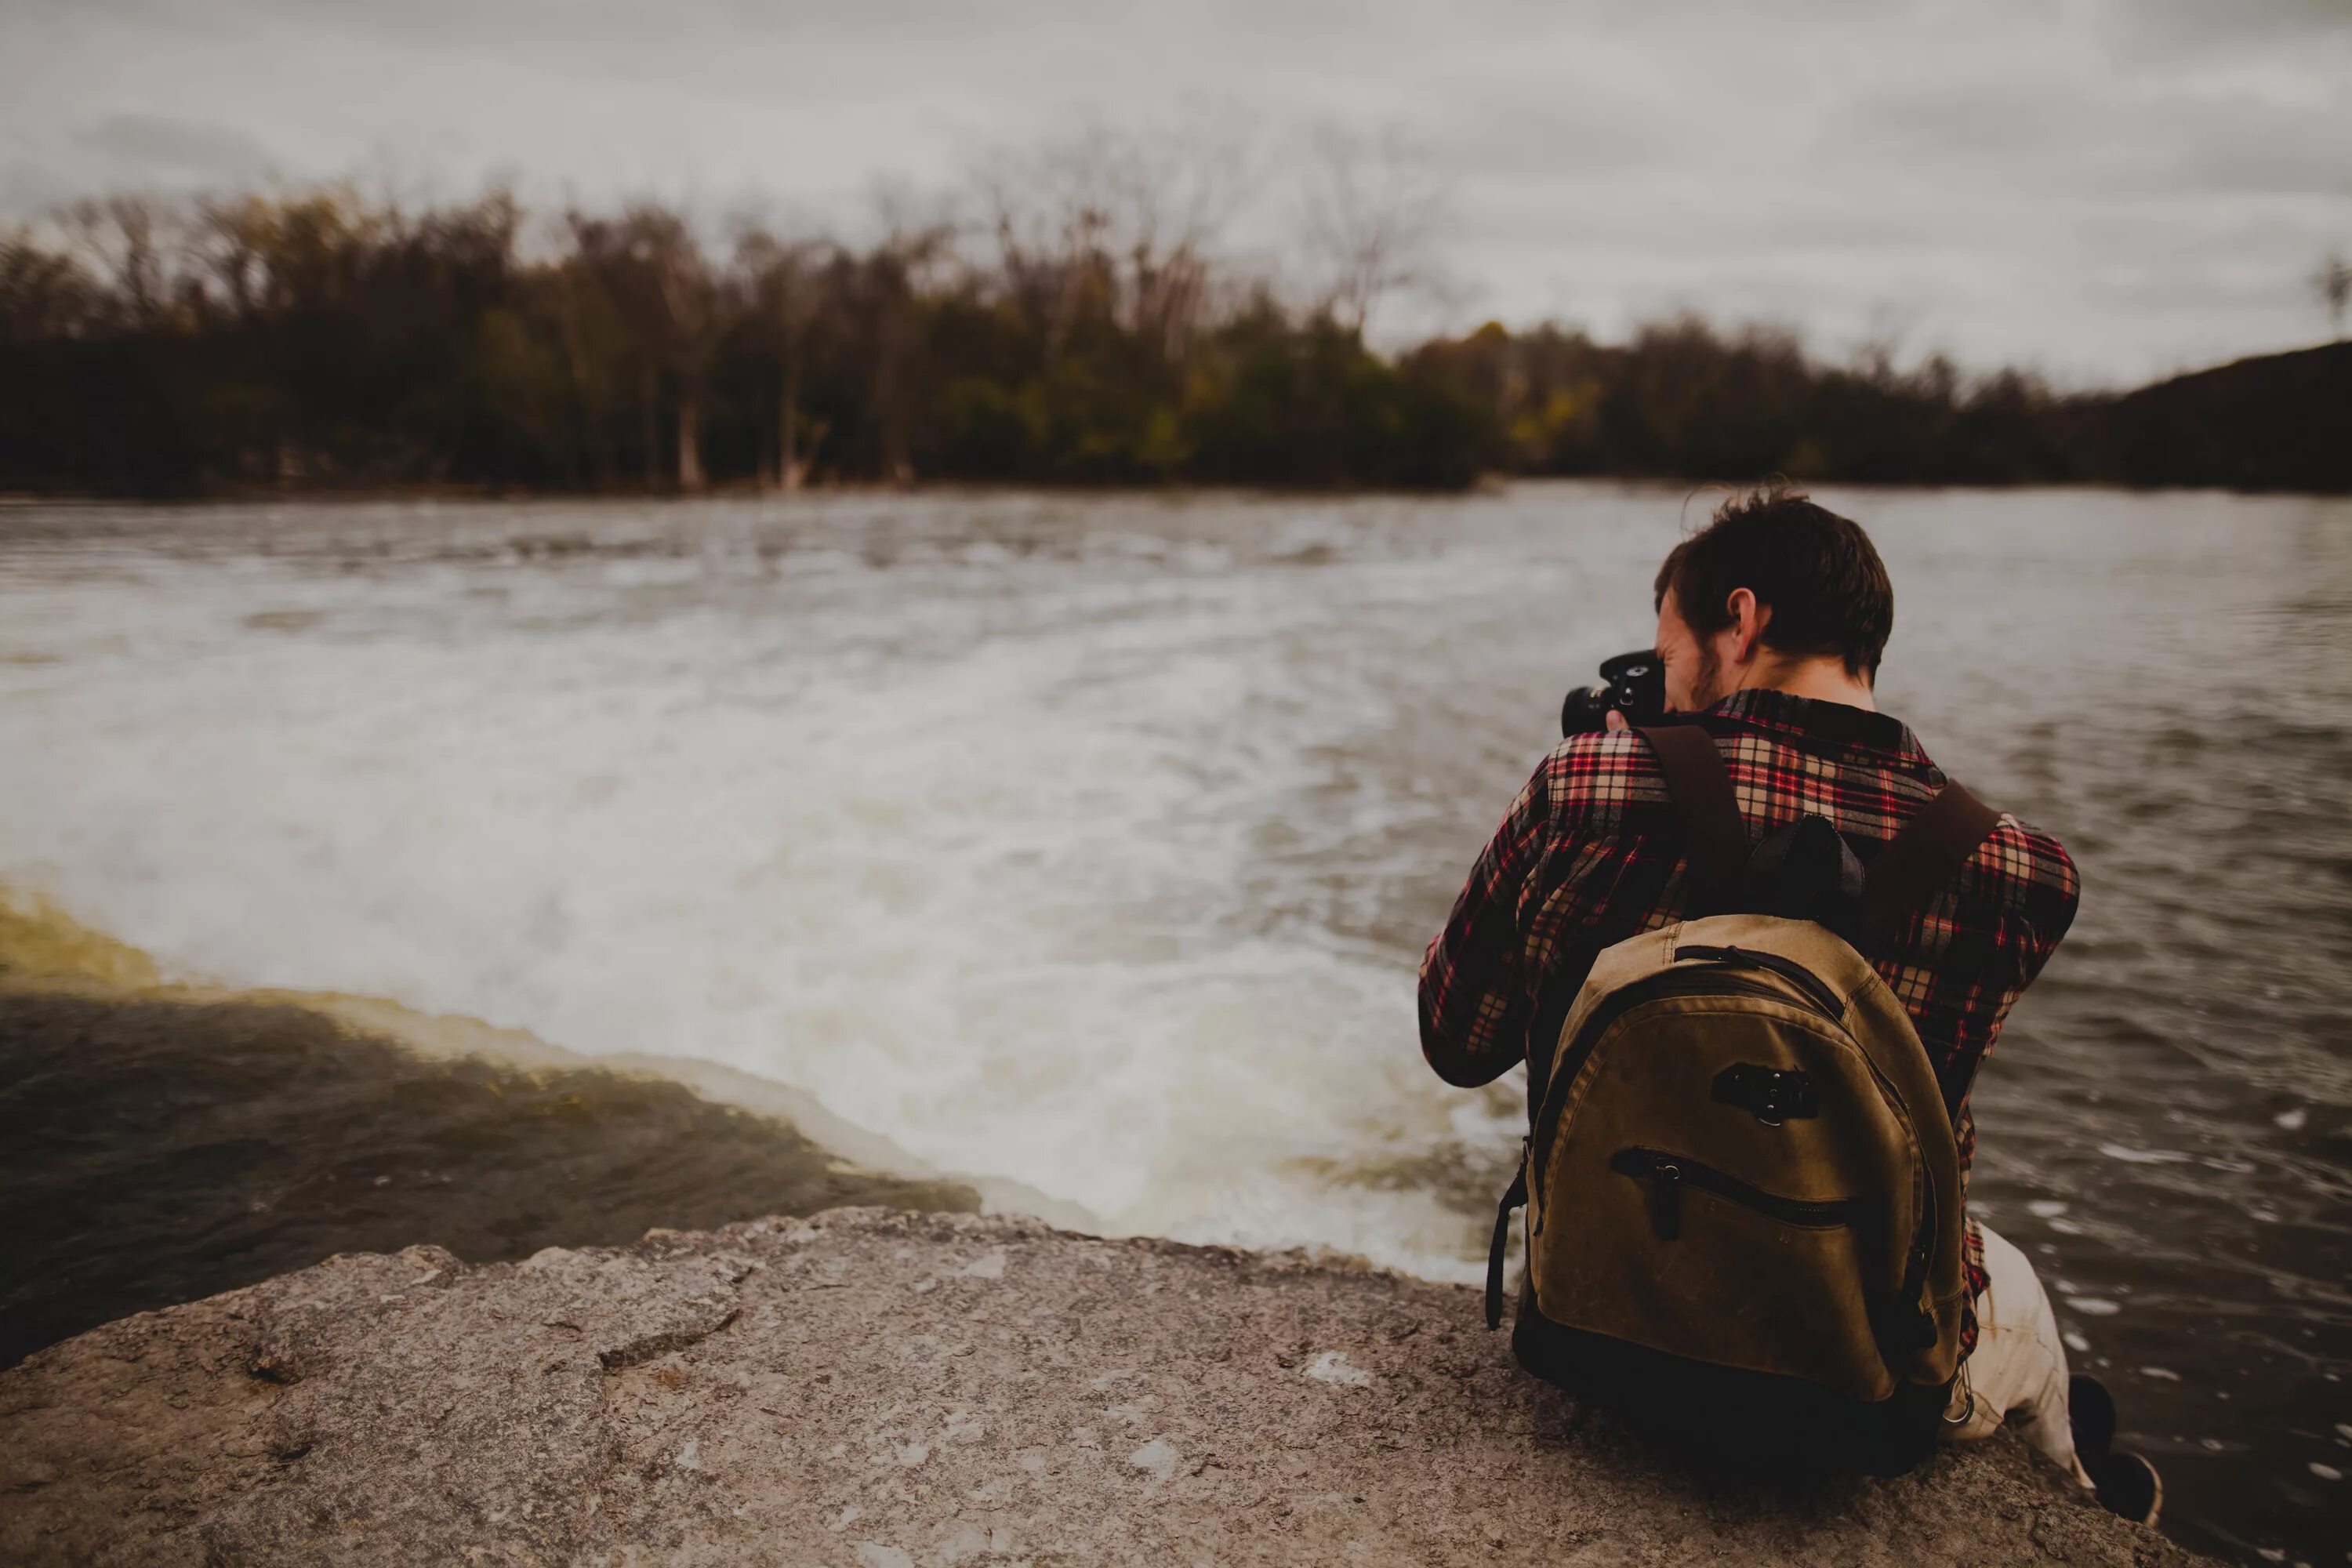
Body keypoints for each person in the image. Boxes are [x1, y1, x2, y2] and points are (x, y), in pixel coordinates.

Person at [1417, 484, 2159, 1523]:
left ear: (1744, 618)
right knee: (2015, 1292)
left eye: (1668, 649)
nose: (1665, 681)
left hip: (1595, 1322)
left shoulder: (1586, 783)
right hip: (1848, 1379)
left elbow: (1456, 1041)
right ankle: (2094, 1507)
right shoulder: (2019, 870)